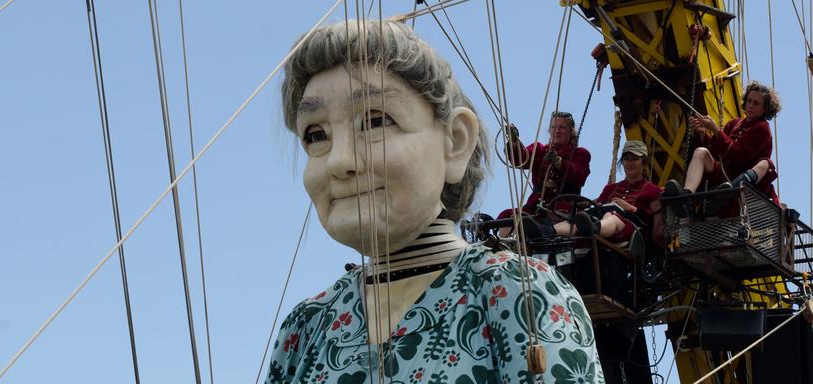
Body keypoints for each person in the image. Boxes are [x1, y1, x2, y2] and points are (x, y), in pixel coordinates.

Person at [268, 19, 604, 384]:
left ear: (456, 142)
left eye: (376, 121)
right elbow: (522, 157)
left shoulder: (516, 291)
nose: (340, 161)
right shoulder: (305, 328)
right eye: (316, 135)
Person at [523, 141, 663, 246]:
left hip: (631, 231)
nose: (630, 163)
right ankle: (547, 232)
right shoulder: (610, 188)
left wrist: (629, 207)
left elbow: (651, 223)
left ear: (643, 162)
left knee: (611, 216)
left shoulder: (653, 191)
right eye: (627, 159)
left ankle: (594, 228)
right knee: (580, 218)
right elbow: (597, 206)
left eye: (635, 159)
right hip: (601, 223)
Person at [662, 81, 780, 205]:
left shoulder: (762, 128)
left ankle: (727, 192)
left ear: (765, 108)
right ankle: (687, 195)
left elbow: (739, 155)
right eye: (749, 101)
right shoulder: (734, 123)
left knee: (767, 163)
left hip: (742, 180)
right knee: (701, 152)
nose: (750, 105)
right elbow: (714, 151)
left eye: (756, 103)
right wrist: (702, 133)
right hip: (723, 174)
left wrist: (716, 130)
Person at [500, 112, 592, 218]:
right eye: (554, 127)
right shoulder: (539, 150)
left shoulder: (580, 154)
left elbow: (578, 174)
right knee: (506, 216)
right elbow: (522, 159)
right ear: (549, 130)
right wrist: (514, 143)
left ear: (571, 131)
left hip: (565, 207)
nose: (557, 131)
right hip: (535, 206)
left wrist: (558, 163)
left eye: (562, 127)